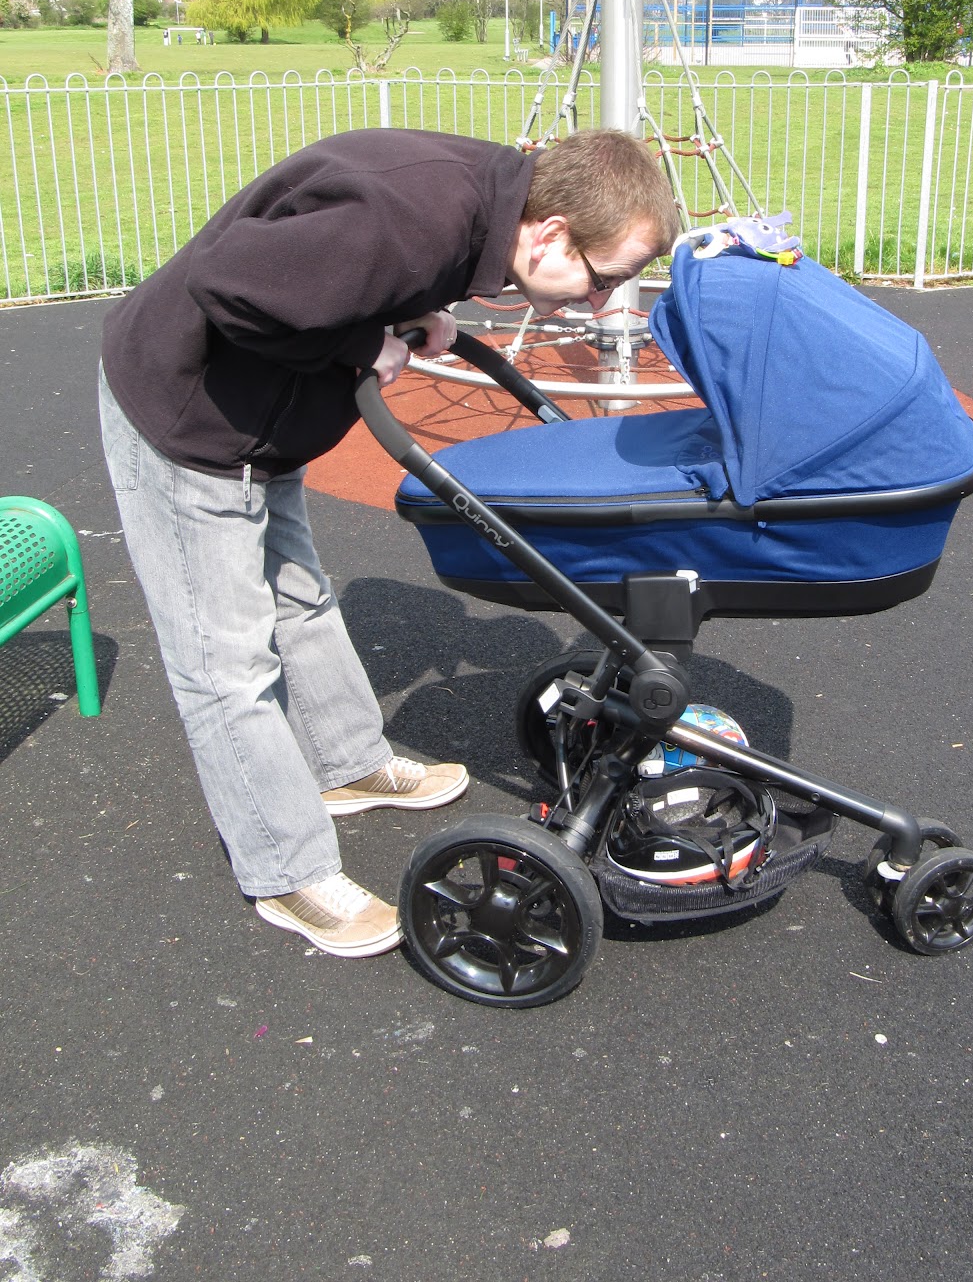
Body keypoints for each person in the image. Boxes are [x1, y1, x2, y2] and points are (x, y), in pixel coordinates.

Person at [98, 126, 680, 958]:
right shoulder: (412, 213)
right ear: (550, 232)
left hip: (268, 415)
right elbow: (227, 283)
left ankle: (345, 762)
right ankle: (286, 869)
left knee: (297, 596)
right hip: (191, 417)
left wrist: (413, 313)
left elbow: (352, 268)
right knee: (225, 660)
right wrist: (361, 344)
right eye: (603, 279)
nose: (597, 304)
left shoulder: (483, 209)